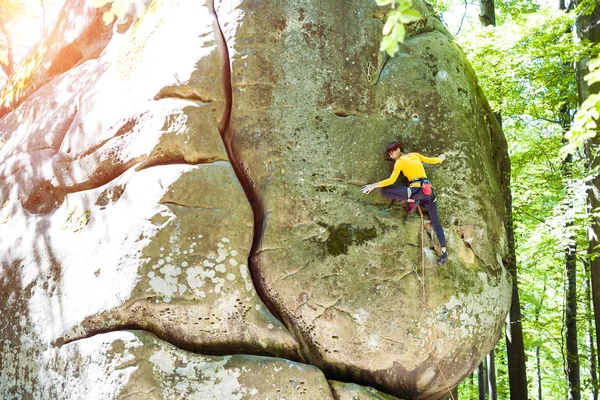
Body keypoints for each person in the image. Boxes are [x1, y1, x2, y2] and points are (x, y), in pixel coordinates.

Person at [362, 141, 448, 265]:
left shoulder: (400, 162)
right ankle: (444, 253)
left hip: (416, 191)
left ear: (398, 149)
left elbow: (391, 180)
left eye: (391, 153)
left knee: (385, 191)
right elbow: (433, 161)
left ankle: (411, 200)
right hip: (429, 192)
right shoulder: (415, 155)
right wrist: (442, 158)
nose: (391, 156)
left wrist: (373, 185)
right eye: (389, 154)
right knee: (436, 221)